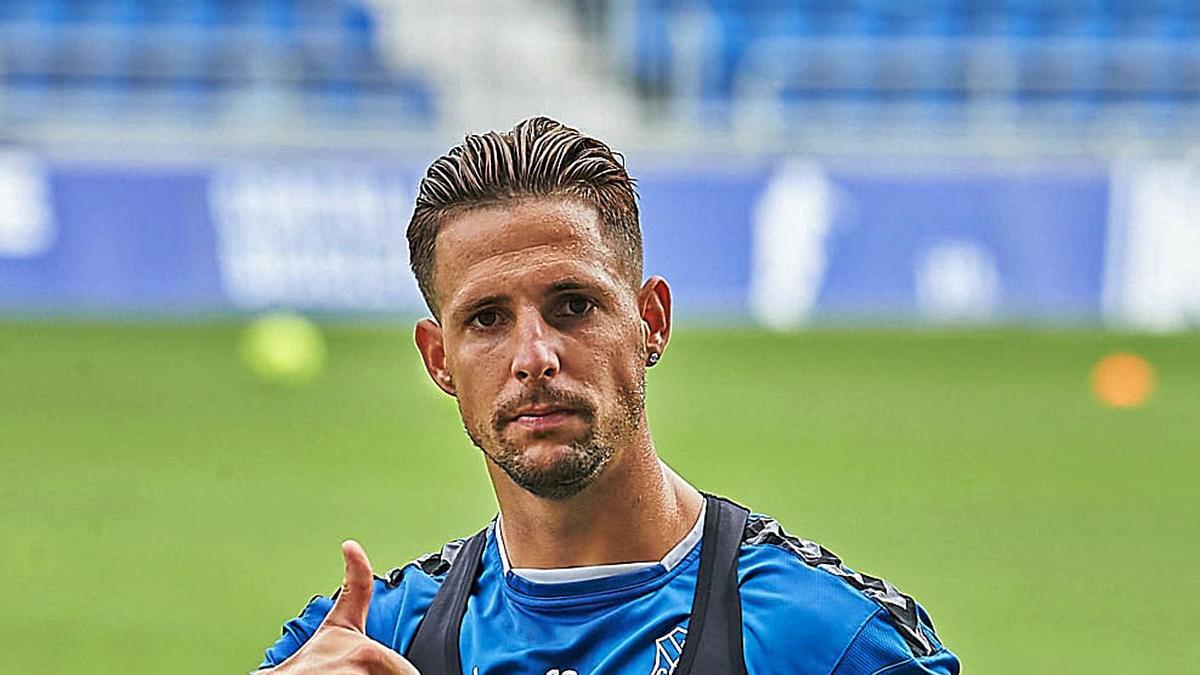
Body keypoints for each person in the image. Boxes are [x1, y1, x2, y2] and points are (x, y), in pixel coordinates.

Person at [256, 117, 960, 675]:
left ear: (650, 321)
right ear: (439, 359)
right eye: (487, 319)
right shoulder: (365, 642)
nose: (534, 356)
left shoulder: (822, 638)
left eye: (572, 305)